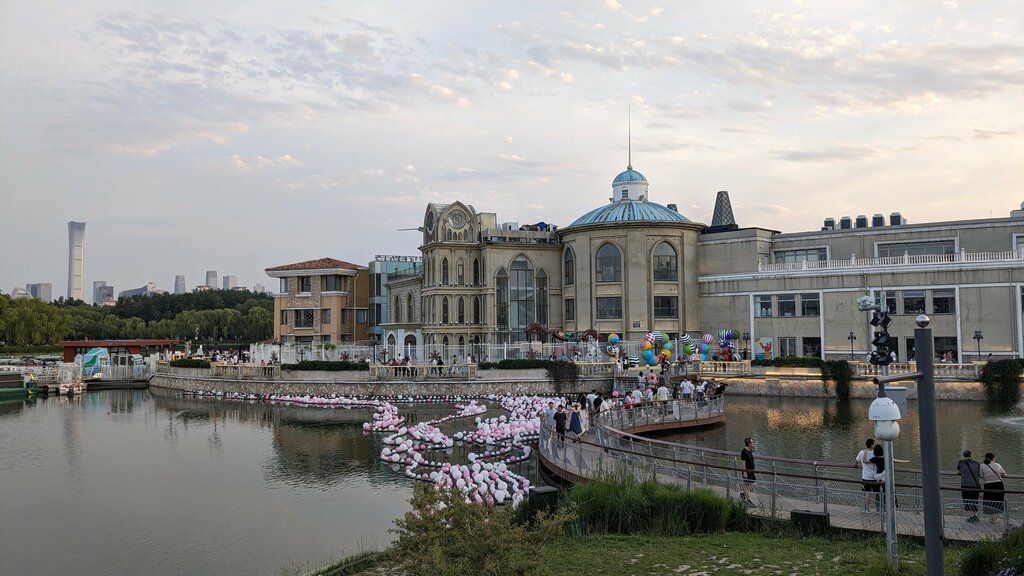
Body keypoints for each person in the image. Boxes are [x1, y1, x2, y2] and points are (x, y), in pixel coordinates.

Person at [957, 450, 982, 523]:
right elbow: (979, 473)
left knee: (966, 500)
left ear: (963, 455)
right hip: (975, 485)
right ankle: (975, 516)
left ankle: (970, 517)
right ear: (971, 455)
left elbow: (959, 471)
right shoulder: (977, 463)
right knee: (974, 500)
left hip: (965, 484)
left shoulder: (961, 462)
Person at [980, 452, 1007, 519]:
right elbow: (1004, 474)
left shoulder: (982, 466)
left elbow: (981, 475)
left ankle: (991, 517)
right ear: (993, 458)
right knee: (998, 501)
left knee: (989, 501)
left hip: (988, 485)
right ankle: (995, 517)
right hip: (998, 484)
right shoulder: (997, 465)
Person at [856, 439, 879, 513]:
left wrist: (856, 465)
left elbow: (856, 461)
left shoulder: (862, 452)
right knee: (878, 492)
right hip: (876, 476)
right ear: (872, 445)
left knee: (867, 492)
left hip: (866, 477)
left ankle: (866, 508)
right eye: (874, 444)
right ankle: (878, 508)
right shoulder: (876, 453)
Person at [740, 437, 756, 506]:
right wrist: (745, 472)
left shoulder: (750, 450)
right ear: (749, 444)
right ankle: (749, 501)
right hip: (747, 471)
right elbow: (743, 463)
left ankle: (743, 494)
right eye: (752, 442)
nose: (754, 443)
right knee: (747, 485)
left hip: (751, 471)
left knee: (752, 483)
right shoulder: (744, 452)